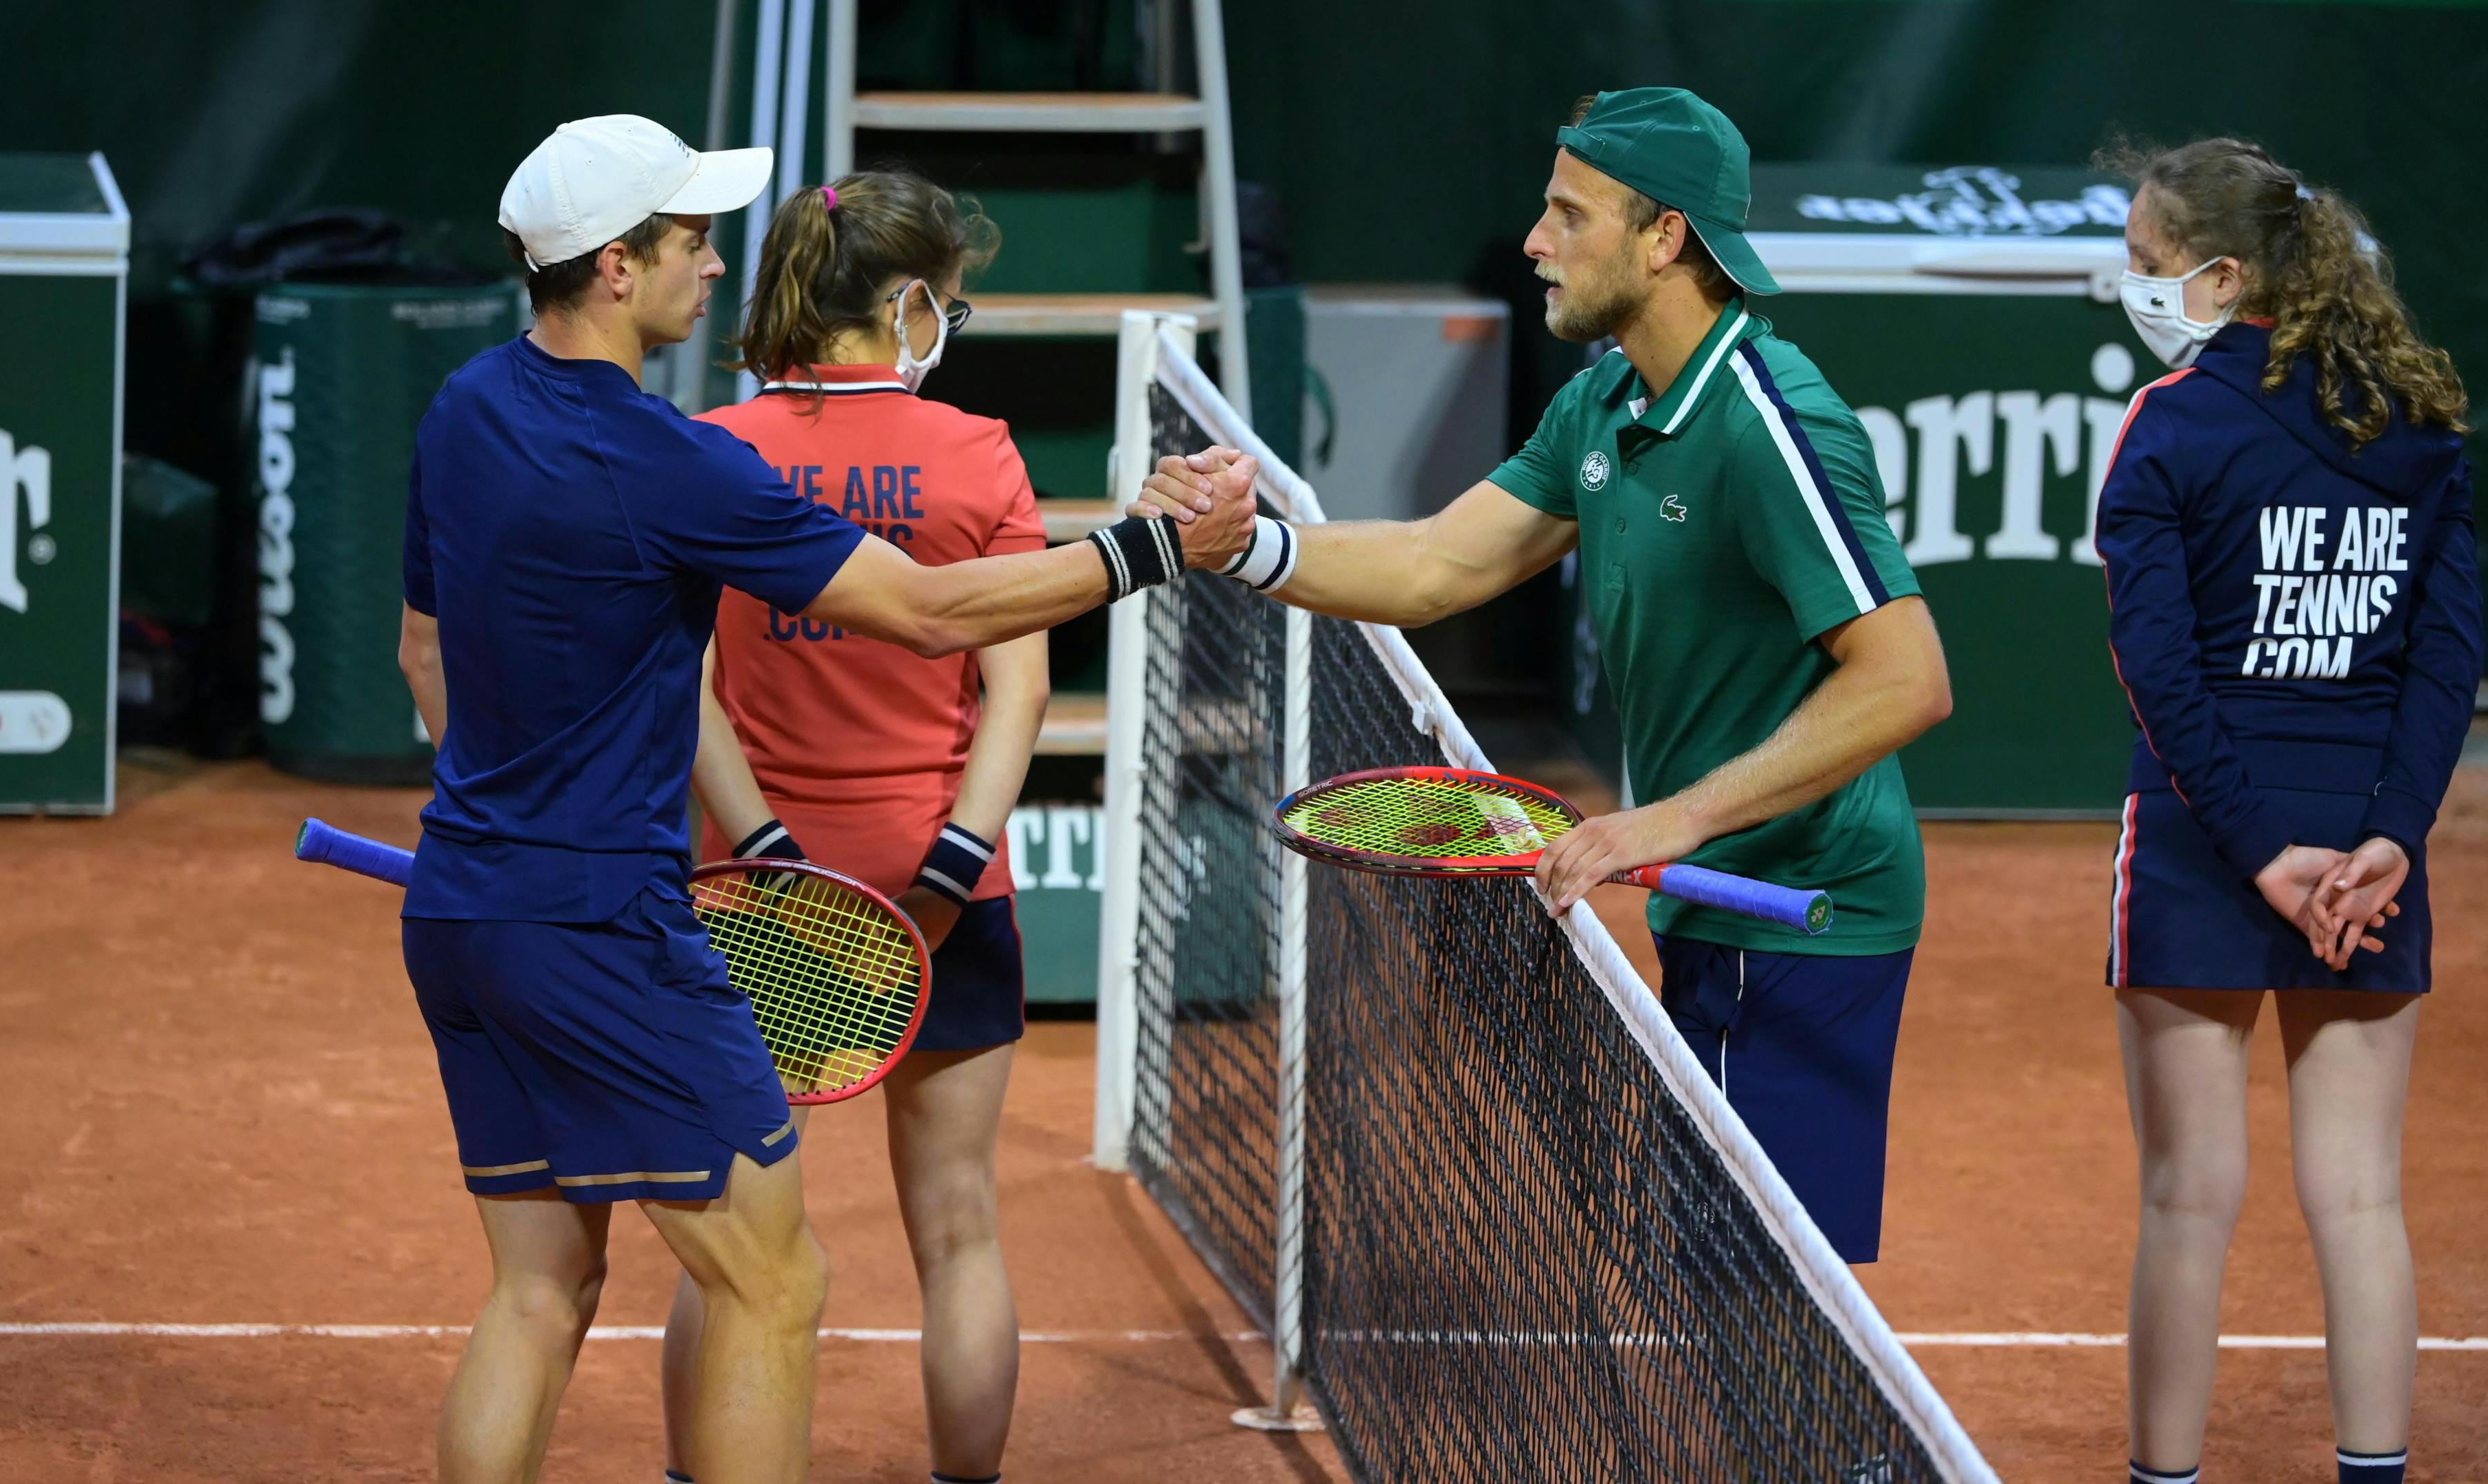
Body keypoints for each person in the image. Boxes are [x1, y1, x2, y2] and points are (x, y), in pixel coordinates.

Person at [394, 115, 1255, 1484]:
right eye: (686, 242)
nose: (712, 262)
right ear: (614, 267)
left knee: (539, 1291)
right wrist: (1151, 547)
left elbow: (424, 655)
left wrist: (512, 825)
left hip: (461, 909)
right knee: (772, 1282)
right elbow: (924, 613)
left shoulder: (462, 412)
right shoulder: (671, 462)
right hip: (611, 932)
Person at [1135, 87, 1953, 1268]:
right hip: (1712, 888)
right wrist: (1248, 547)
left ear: (1664, 237)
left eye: (1570, 214)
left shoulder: (1768, 424)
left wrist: (1658, 824)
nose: (1534, 240)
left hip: (1805, 908)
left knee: (1767, 1308)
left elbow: (1906, 681)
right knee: (1729, 1286)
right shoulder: (1605, 398)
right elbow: (1432, 564)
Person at [2094, 137, 2479, 1484]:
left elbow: (2159, 669)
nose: (2130, 286)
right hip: (2371, 853)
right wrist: (2392, 838)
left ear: (2226, 276)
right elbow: (2446, 660)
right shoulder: (2419, 422)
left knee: (2186, 1203)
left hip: (2212, 846)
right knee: (2363, 1197)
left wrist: (2259, 855)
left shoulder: (2173, 426)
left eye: (2147, 266)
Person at [662, 170, 1042, 1484]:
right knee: (960, 1232)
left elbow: (688, 688)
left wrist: (764, 848)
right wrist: (952, 857)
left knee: (728, 1247)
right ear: (912, 304)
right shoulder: (981, 453)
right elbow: (1021, 681)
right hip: (944, 891)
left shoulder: (713, 448)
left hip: (757, 907)